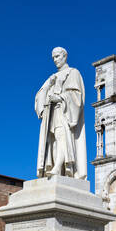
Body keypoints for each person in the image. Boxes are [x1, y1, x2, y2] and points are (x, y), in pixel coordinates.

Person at [35, 47, 87, 179]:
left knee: (61, 137)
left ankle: (58, 167)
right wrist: (48, 87)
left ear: (65, 56)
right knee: (53, 142)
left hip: (64, 112)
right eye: (53, 57)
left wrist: (61, 97)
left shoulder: (72, 72)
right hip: (51, 113)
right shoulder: (52, 77)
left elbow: (77, 94)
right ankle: (57, 169)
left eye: (57, 56)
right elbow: (40, 94)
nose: (55, 60)